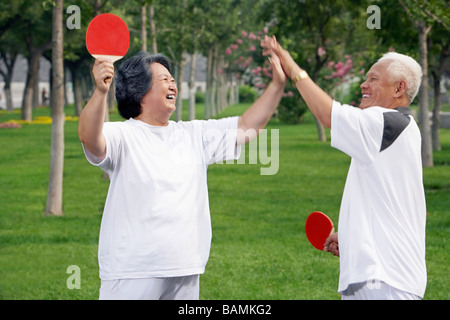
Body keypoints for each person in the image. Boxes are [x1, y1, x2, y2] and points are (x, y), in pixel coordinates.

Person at [78, 50, 286, 300]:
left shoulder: (193, 134)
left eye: (172, 79)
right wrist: (101, 92)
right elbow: (90, 138)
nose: (172, 84)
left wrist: (277, 86)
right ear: (139, 90)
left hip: (185, 268)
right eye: (164, 79)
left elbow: (246, 127)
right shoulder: (123, 135)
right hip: (133, 270)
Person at [262, 36, 427, 300]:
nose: (363, 84)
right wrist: (351, 235)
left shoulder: (387, 123)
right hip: (381, 278)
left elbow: (329, 115)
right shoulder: (401, 127)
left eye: (373, 79)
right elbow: (386, 200)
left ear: (399, 88)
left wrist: (293, 69)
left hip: (384, 280)